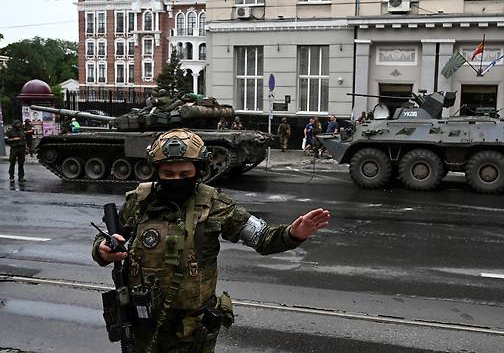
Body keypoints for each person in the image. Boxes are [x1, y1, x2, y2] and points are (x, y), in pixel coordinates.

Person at [91, 128, 330, 352]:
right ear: (157, 171)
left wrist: (293, 233)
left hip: (190, 331)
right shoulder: (140, 201)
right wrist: (102, 250)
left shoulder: (214, 205)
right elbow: (110, 239)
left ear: (199, 170)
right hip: (141, 323)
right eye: (168, 174)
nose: (176, 179)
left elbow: (262, 238)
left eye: (185, 174)